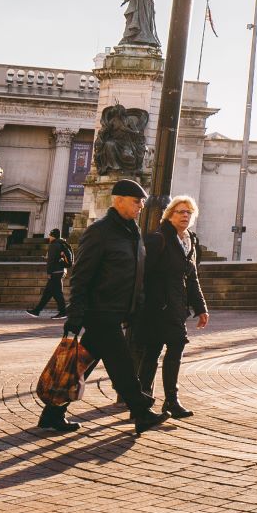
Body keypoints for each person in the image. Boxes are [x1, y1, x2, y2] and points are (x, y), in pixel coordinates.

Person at [39, 180, 168, 434]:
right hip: (100, 311)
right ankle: (141, 410)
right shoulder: (100, 231)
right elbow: (81, 275)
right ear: (118, 200)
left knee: (81, 364)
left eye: (142, 201)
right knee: (121, 364)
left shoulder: (132, 232)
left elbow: (136, 273)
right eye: (136, 201)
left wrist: (135, 307)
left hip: (117, 310)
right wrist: (76, 313)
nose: (141, 206)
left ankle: (52, 413)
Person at [133, 194, 209, 419]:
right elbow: (142, 274)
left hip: (176, 307)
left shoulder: (190, 241)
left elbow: (192, 277)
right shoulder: (158, 239)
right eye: (181, 212)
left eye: (189, 212)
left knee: (166, 350)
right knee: (160, 350)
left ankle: (159, 401)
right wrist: (145, 304)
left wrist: (201, 307)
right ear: (169, 214)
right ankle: (154, 399)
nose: (185, 216)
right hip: (157, 307)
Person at [27, 227, 73, 317]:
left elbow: (51, 260)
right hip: (60, 270)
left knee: (57, 293)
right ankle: (37, 310)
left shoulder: (54, 245)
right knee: (48, 293)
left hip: (55, 272)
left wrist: (49, 272)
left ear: (53, 236)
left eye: (50, 235)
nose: (49, 237)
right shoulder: (61, 243)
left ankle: (63, 312)